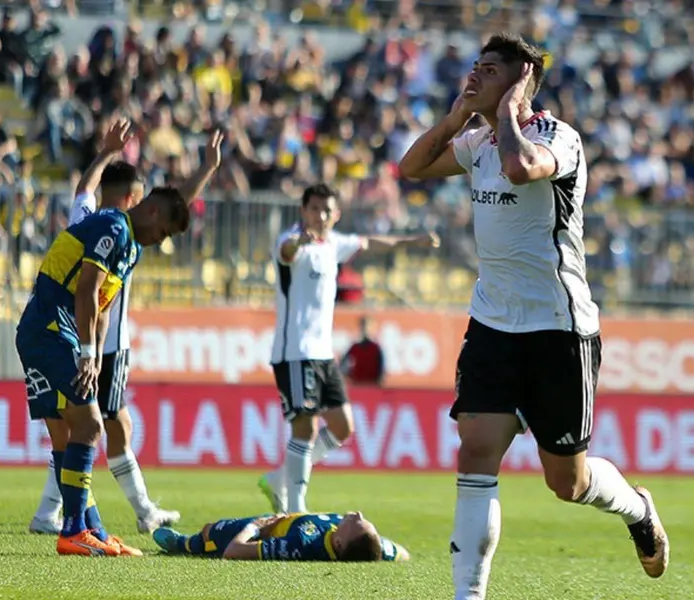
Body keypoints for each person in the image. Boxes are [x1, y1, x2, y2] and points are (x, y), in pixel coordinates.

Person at [397, 33, 670, 599]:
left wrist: (503, 113)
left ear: (520, 82)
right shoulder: (474, 142)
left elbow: (522, 168)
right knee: (475, 452)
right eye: (474, 66)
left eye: (490, 70)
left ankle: (637, 508)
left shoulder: (557, 138)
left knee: (566, 482)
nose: (474, 76)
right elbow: (411, 167)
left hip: (559, 329)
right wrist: (457, 118)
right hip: (493, 323)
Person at [15, 131, 217, 556]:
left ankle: (91, 528)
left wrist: (93, 353)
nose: (160, 240)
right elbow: (87, 290)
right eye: (162, 231)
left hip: (60, 331)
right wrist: (90, 353)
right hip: (50, 327)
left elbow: (102, 307)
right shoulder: (112, 225)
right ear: (146, 206)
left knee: (74, 433)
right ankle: (73, 530)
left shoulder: (127, 244)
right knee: (89, 426)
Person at [256, 183, 440, 515]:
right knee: (306, 426)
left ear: (336, 214)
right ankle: (296, 508)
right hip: (295, 352)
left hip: (324, 354)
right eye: (314, 209)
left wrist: (414, 241)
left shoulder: (334, 244)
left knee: (343, 427)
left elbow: (372, 243)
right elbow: (287, 252)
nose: (321, 216)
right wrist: (300, 240)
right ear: (303, 210)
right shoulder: (291, 241)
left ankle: (280, 479)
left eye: (327, 211)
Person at [153, 512, 410, 562]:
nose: (357, 513)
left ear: (340, 543)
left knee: (212, 531)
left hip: (264, 527)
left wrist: (254, 526)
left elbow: (235, 550)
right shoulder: (375, 548)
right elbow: (402, 553)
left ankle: (183, 544)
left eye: (356, 522)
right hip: (288, 516)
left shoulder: (300, 546)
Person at [341, 316, 384, 386]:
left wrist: (379, 380)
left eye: (368, 327)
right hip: (357, 385)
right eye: (363, 327)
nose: (365, 330)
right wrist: (349, 374)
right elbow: (343, 363)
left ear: (373, 329)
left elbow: (381, 369)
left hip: (372, 386)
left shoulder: (376, 348)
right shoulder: (354, 347)